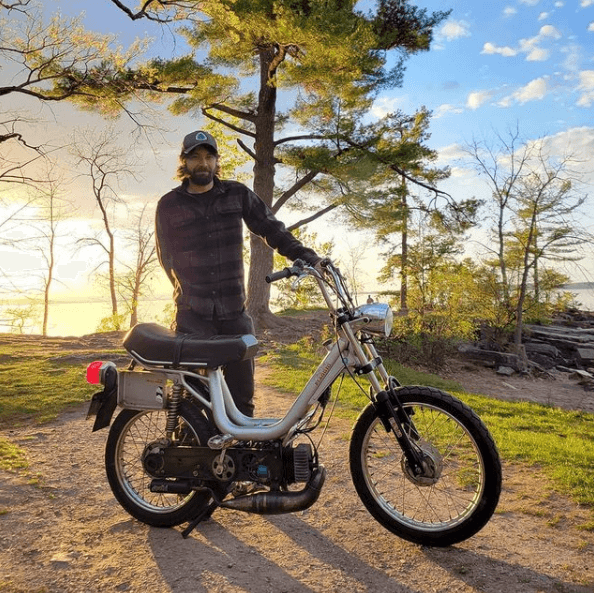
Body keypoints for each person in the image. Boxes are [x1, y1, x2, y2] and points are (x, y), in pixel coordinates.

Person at [155, 130, 321, 417]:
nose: (203, 163)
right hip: (192, 316)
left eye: (209, 157)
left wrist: (308, 257)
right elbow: (165, 258)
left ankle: (239, 457)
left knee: (242, 398)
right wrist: (188, 293)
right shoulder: (168, 205)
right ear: (184, 162)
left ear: (217, 161)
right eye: (195, 158)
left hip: (235, 315)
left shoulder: (237, 194)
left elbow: (272, 230)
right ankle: (191, 458)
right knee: (193, 401)